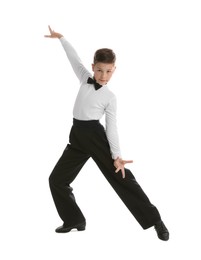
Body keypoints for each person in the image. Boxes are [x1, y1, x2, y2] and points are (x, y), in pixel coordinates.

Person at [44, 26, 169, 241]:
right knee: (56, 179)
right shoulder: (85, 78)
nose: (103, 75)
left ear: (114, 70)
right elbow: (73, 58)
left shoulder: (110, 97)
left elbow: (112, 127)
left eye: (108, 71)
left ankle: (155, 220)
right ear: (93, 68)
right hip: (77, 136)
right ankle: (74, 219)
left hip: (95, 137)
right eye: (100, 70)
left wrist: (116, 156)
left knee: (121, 178)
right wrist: (62, 38)